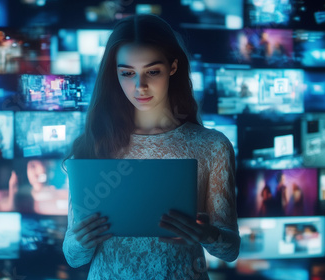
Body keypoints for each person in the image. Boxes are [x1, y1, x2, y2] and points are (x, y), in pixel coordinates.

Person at [61, 14, 240, 279]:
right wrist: (81, 240)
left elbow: (231, 250)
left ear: (173, 67)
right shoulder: (94, 144)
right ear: (115, 74)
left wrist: (205, 234)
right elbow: (73, 256)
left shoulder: (212, 146)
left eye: (152, 71)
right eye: (127, 73)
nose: (139, 86)